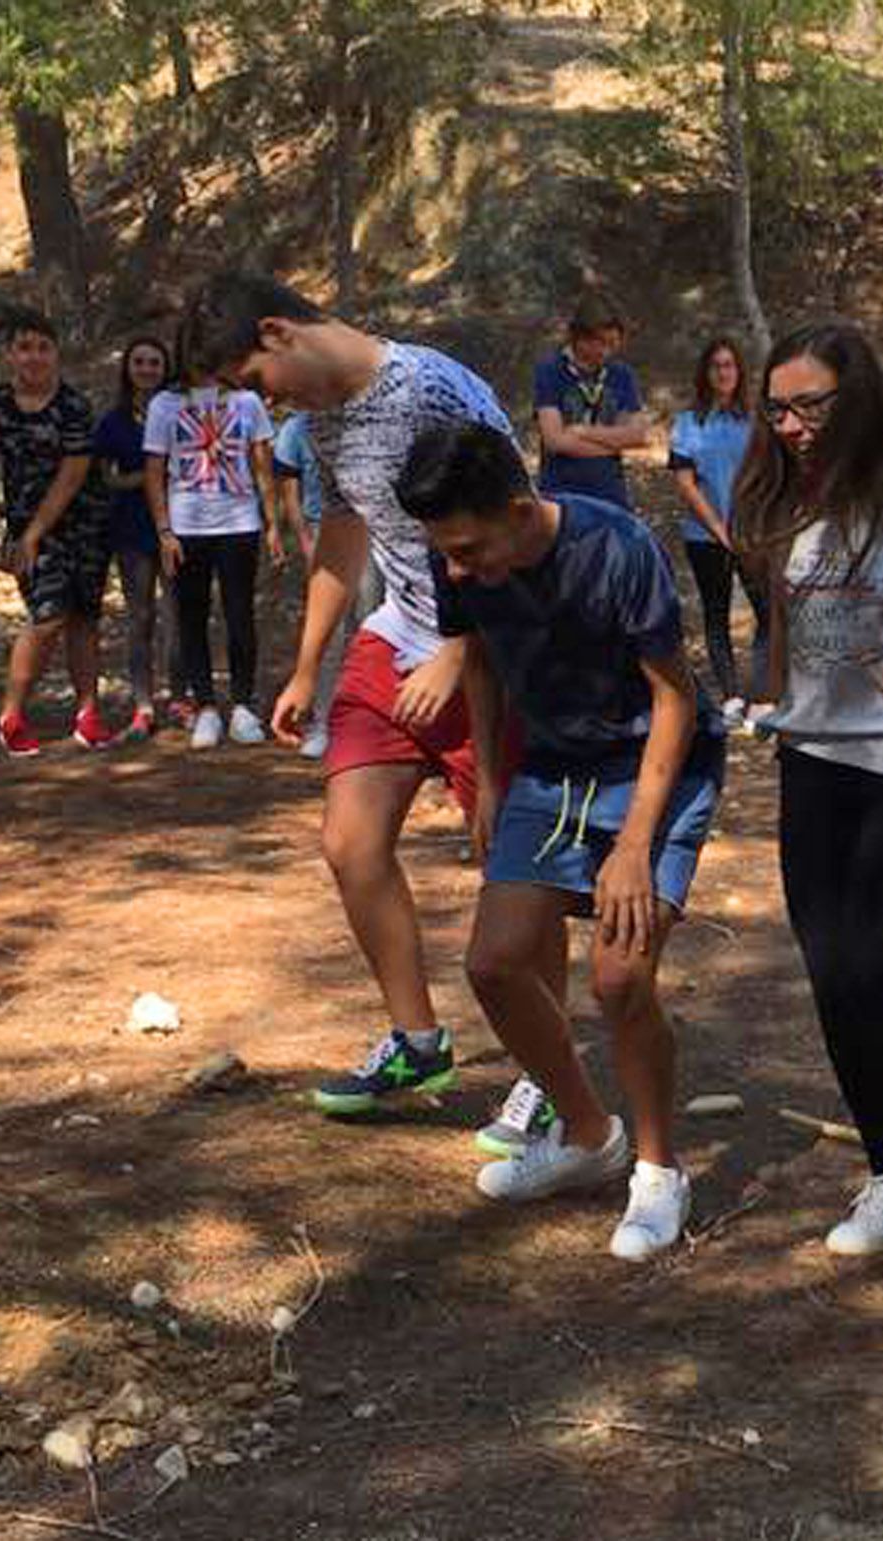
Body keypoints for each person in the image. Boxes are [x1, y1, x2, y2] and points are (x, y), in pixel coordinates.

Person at [184, 272, 551, 1134]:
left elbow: (513, 525)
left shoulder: (433, 387)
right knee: (349, 842)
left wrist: (460, 654)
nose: (260, 401)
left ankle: (545, 1072)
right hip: (396, 639)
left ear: (278, 333)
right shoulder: (318, 425)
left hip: (494, 648)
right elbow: (346, 535)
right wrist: (307, 667)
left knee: (513, 867)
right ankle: (417, 1039)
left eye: (253, 381)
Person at [400, 420, 723, 1261]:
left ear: (516, 509)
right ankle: (587, 1133)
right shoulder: (462, 553)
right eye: (447, 554)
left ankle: (658, 1170)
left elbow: (676, 702)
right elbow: (475, 662)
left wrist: (634, 844)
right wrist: (492, 786)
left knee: (620, 976)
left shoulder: (618, 549)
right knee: (495, 961)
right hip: (551, 769)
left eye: (469, 548)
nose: (458, 569)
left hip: (655, 761)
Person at [738, 321, 883, 1258]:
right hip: (815, 760)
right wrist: (774, 698)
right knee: (830, 975)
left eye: (809, 406)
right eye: (777, 407)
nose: (791, 424)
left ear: (858, 399)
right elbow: (784, 618)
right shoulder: (786, 504)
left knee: (875, 965)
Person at [0, 309, 118, 757]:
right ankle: (11, 715)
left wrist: (34, 533)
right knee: (46, 615)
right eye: (25, 348)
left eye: (44, 348)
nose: (35, 357)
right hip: (27, 528)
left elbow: (73, 474)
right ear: (10, 354)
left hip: (85, 523)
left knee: (85, 616)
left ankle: (88, 714)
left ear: (56, 353)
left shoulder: (74, 405)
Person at [143, 351, 281, 748]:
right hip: (186, 527)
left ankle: (241, 706)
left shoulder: (247, 402)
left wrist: (272, 523)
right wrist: (165, 530)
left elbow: (262, 465)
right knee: (191, 616)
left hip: (239, 523)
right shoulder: (165, 405)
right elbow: (154, 472)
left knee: (240, 614)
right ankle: (204, 707)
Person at [669, 336, 768, 729]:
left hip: (753, 533)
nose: (723, 372)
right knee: (716, 614)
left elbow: (767, 473)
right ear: (705, 374)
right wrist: (719, 528)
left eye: (729, 365)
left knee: (768, 614)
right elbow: (685, 483)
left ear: (739, 371)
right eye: (716, 366)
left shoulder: (756, 419)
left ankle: (762, 697)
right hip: (705, 536)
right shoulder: (687, 423)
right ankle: (731, 697)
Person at [275, 408, 381, 762]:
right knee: (328, 633)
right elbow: (290, 486)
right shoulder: (296, 427)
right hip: (324, 530)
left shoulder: (366, 420)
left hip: (369, 531)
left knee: (368, 625)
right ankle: (320, 724)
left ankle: (364, 725)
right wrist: (304, 537)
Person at [94, 336, 182, 740]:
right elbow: (105, 477)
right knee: (140, 617)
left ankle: (181, 698)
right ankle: (143, 706)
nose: (147, 369)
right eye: (140, 362)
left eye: (155, 362)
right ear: (128, 368)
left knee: (179, 614)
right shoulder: (113, 422)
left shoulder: (182, 412)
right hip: (131, 527)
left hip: (179, 525)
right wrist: (148, 478)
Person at [532, 292, 647, 509]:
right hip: (561, 496)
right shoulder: (550, 371)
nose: (606, 351)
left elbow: (637, 435)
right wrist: (614, 443)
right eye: (600, 342)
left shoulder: (622, 374)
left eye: (613, 343)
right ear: (579, 337)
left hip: (611, 494)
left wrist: (583, 432)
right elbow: (555, 441)